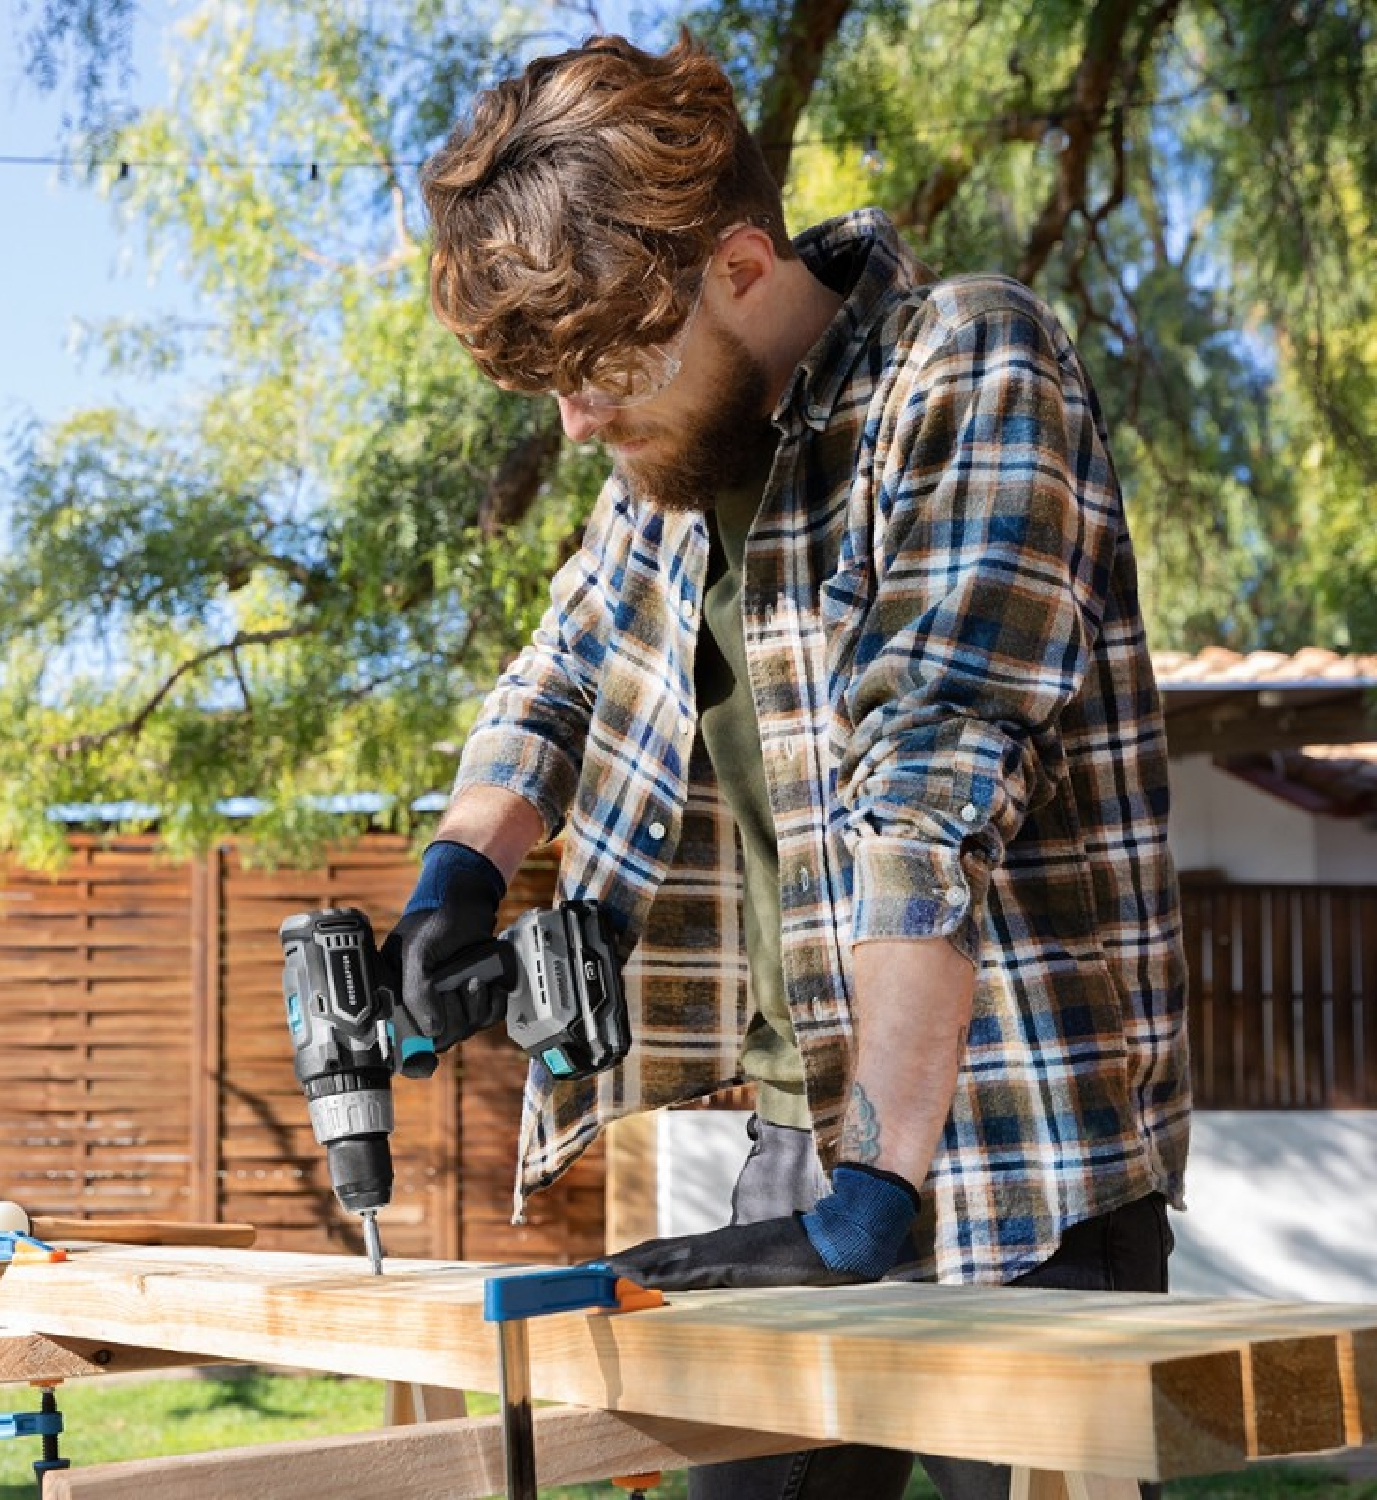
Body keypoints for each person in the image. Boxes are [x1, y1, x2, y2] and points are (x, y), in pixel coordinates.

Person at [384, 31, 1191, 1500]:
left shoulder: (968, 364)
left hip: (1030, 1166)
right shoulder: (667, 482)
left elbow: (932, 786)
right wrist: (457, 875)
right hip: (793, 1152)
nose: (576, 425)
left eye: (605, 371)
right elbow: (555, 676)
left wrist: (878, 1197)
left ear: (741, 268)